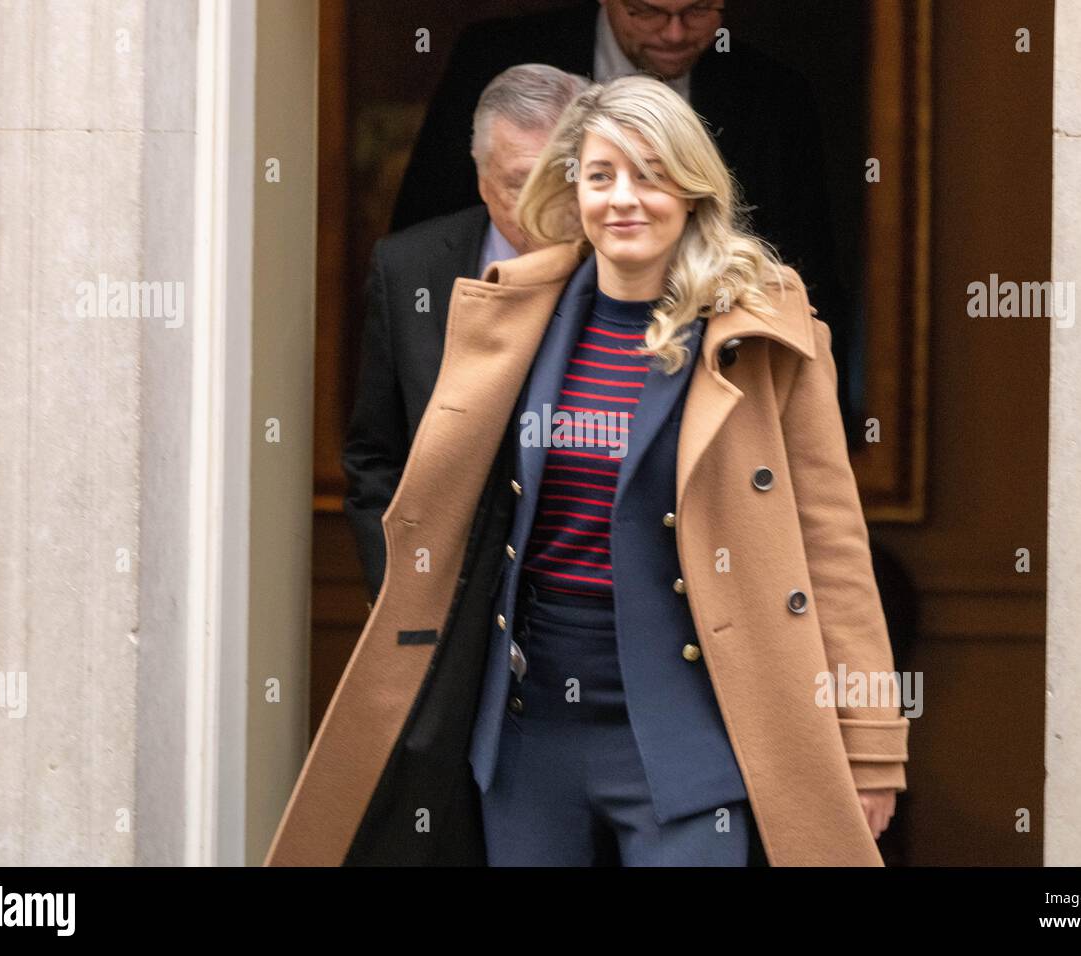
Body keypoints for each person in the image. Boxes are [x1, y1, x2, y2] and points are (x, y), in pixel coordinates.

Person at [266, 76, 907, 868]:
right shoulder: (513, 314)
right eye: (600, 176)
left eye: (650, 173)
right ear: (572, 189)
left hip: (691, 742)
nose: (623, 199)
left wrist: (872, 748)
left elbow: (834, 547)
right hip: (530, 740)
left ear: (693, 188)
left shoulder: (765, 328)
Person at [387, 0, 855, 427]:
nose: (674, 33)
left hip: (712, 376)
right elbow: (428, 228)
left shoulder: (774, 93)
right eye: (647, 13)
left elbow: (808, 258)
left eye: (698, 13)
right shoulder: (497, 54)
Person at [343, 64, 590, 602]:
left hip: (583, 598)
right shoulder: (408, 266)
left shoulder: (629, 271)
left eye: (561, 179)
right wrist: (401, 595)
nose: (539, 207)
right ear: (481, 178)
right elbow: (375, 457)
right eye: (518, 184)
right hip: (446, 598)